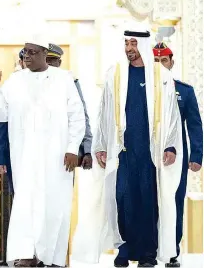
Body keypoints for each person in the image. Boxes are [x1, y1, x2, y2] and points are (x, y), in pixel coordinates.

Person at [77, 28, 182, 267]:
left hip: (150, 152)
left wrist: (171, 146)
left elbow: (172, 116)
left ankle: (147, 254)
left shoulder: (161, 76)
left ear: (143, 45)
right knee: (122, 199)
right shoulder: (115, 74)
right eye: (126, 43)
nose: (129, 49)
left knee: (147, 200)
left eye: (133, 43)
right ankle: (123, 249)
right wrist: (101, 144)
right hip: (121, 151)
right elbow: (104, 111)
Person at [0, 36, 85, 267]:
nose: (26, 57)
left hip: (57, 157)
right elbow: (2, 115)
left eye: (31, 52)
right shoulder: (15, 81)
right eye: (24, 53)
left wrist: (72, 149)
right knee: (25, 205)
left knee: (54, 206)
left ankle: (49, 257)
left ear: (44, 53)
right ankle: (26, 254)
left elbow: (77, 117)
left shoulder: (64, 79)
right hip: (25, 157)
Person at [153, 42, 203, 267]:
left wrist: (196, 156)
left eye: (164, 60)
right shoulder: (142, 90)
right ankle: (150, 249)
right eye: (156, 61)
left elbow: (194, 125)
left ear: (171, 63)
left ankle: (172, 250)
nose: (160, 65)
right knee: (149, 202)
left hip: (176, 158)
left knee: (173, 202)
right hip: (147, 156)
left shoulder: (184, 90)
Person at [46, 44, 93, 169]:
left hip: (64, 152)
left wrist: (87, 150)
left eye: (52, 61)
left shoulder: (70, 82)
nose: (49, 65)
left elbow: (81, 117)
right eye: (46, 61)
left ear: (59, 62)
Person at [0, 49, 26, 194]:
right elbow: (2, 122)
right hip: (17, 152)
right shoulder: (12, 85)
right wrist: (0, 158)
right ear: (21, 62)